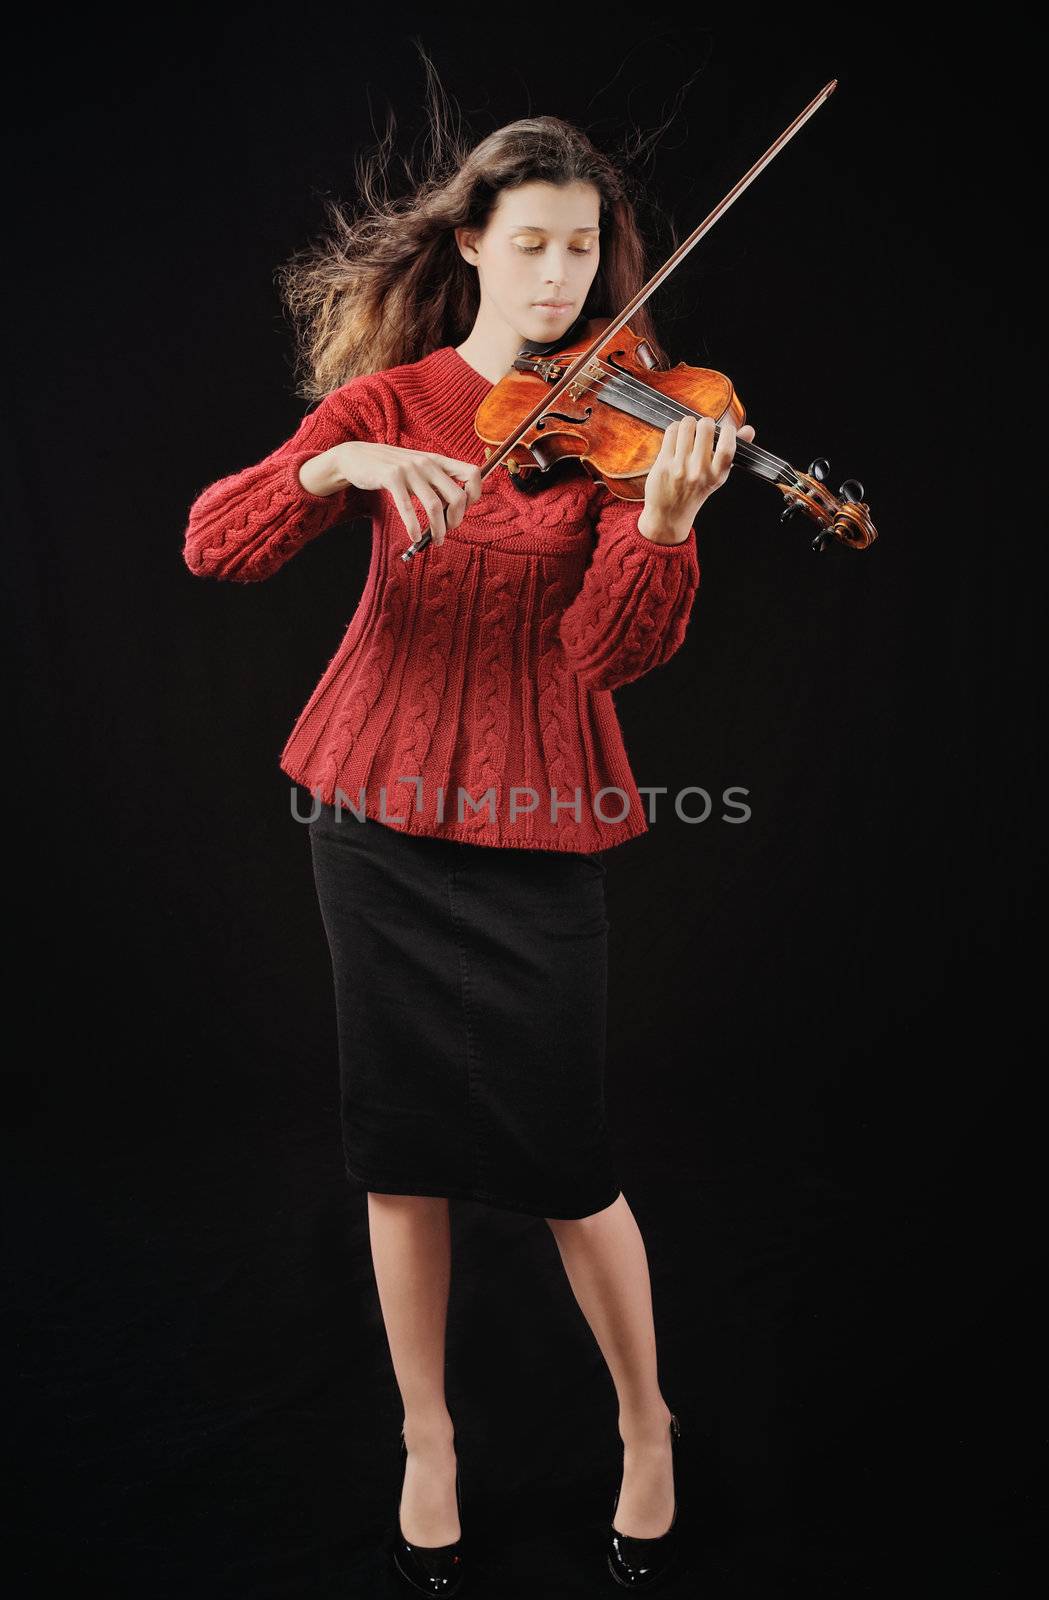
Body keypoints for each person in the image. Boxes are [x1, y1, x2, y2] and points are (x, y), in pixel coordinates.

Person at [182, 92, 753, 1594]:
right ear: (473, 246)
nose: (562, 277)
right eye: (536, 246)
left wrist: (667, 529)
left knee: (566, 1165)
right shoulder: (394, 400)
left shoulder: (643, 421)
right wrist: (338, 469)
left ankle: (646, 1424)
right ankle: (425, 1437)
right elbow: (216, 542)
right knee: (399, 1156)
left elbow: (607, 655)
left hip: (537, 815)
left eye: (586, 251)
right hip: (368, 815)